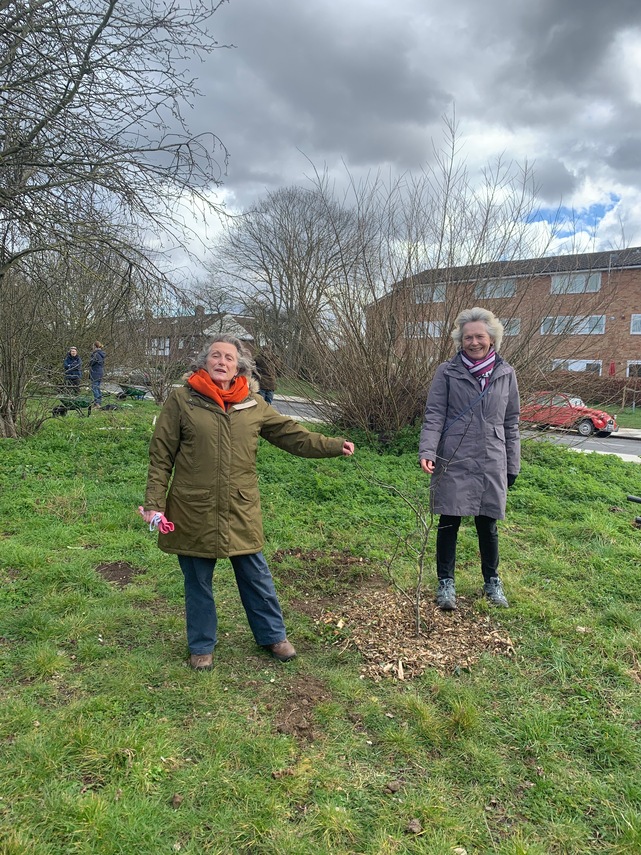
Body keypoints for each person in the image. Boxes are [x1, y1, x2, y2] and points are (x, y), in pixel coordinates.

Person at [140, 333, 355, 671]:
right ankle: (201, 646)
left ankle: (272, 635)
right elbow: (161, 455)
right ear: (203, 362)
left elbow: (292, 435)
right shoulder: (182, 400)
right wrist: (154, 502)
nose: (221, 361)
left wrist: (330, 444)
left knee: (255, 574)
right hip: (192, 506)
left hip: (239, 506)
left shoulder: (253, 404)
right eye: (215, 355)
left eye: (229, 357)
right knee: (197, 581)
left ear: (239, 366)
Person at [419, 307, 520, 611]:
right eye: (467, 337)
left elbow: (511, 422)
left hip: (492, 458)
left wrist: (512, 464)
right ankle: (445, 583)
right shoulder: (446, 372)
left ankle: (492, 581)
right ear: (459, 341)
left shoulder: (506, 373)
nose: (473, 342)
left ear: (492, 339)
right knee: (449, 520)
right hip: (454, 456)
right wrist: (427, 450)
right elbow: (434, 414)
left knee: (487, 523)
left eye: (479, 336)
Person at [89, 341, 106, 408]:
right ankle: (98, 402)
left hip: (95, 373)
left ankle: (97, 404)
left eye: (93, 346)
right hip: (100, 372)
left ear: (95, 346)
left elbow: (91, 363)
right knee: (97, 388)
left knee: (94, 388)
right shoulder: (101, 354)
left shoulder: (96, 354)